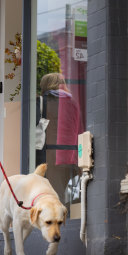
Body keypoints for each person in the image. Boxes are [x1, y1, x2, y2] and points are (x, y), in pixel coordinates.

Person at [39, 73, 83, 203]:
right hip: (71, 156)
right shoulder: (73, 102)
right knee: (60, 192)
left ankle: (59, 220)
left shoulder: (44, 101)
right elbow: (79, 129)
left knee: (52, 194)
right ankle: (65, 218)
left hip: (52, 155)